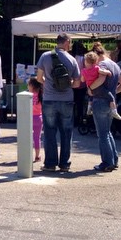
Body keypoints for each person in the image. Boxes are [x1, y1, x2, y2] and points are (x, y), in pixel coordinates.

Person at [35, 33, 81, 172]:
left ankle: (50, 164)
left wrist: (49, 85)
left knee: (49, 132)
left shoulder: (45, 56)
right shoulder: (72, 59)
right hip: (66, 100)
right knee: (66, 133)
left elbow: (39, 78)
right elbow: (77, 83)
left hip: (49, 99)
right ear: (67, 42)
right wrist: (66, 85)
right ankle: (65, 164)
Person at [89, 42, 121, 172]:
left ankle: (107, 162)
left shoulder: (101, 65)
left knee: (102, 134)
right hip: (112, 103)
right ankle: (113, 160)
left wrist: (90, 88)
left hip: (100, 102)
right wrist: (112, 93)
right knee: (107, 132)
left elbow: (100, 80)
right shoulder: (114, 64)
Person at [80, 51, 121, 120]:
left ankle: (89, 109)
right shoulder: (96, 68)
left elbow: (82, 80)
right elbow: (103, 72)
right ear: (95, 62)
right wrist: (108, 72)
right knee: (111, 97)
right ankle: (114, 111)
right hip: (98, 88)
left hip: (89, 87)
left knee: (91, 97)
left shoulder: (83, 71)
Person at [27, 77, 43, 162]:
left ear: (31, 86)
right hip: (39, 118)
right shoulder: (41, 95)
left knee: (27, 137)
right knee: (37, 138)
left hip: (29, 118)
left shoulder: (28, 96)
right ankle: (37, 156)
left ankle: (26, 154)